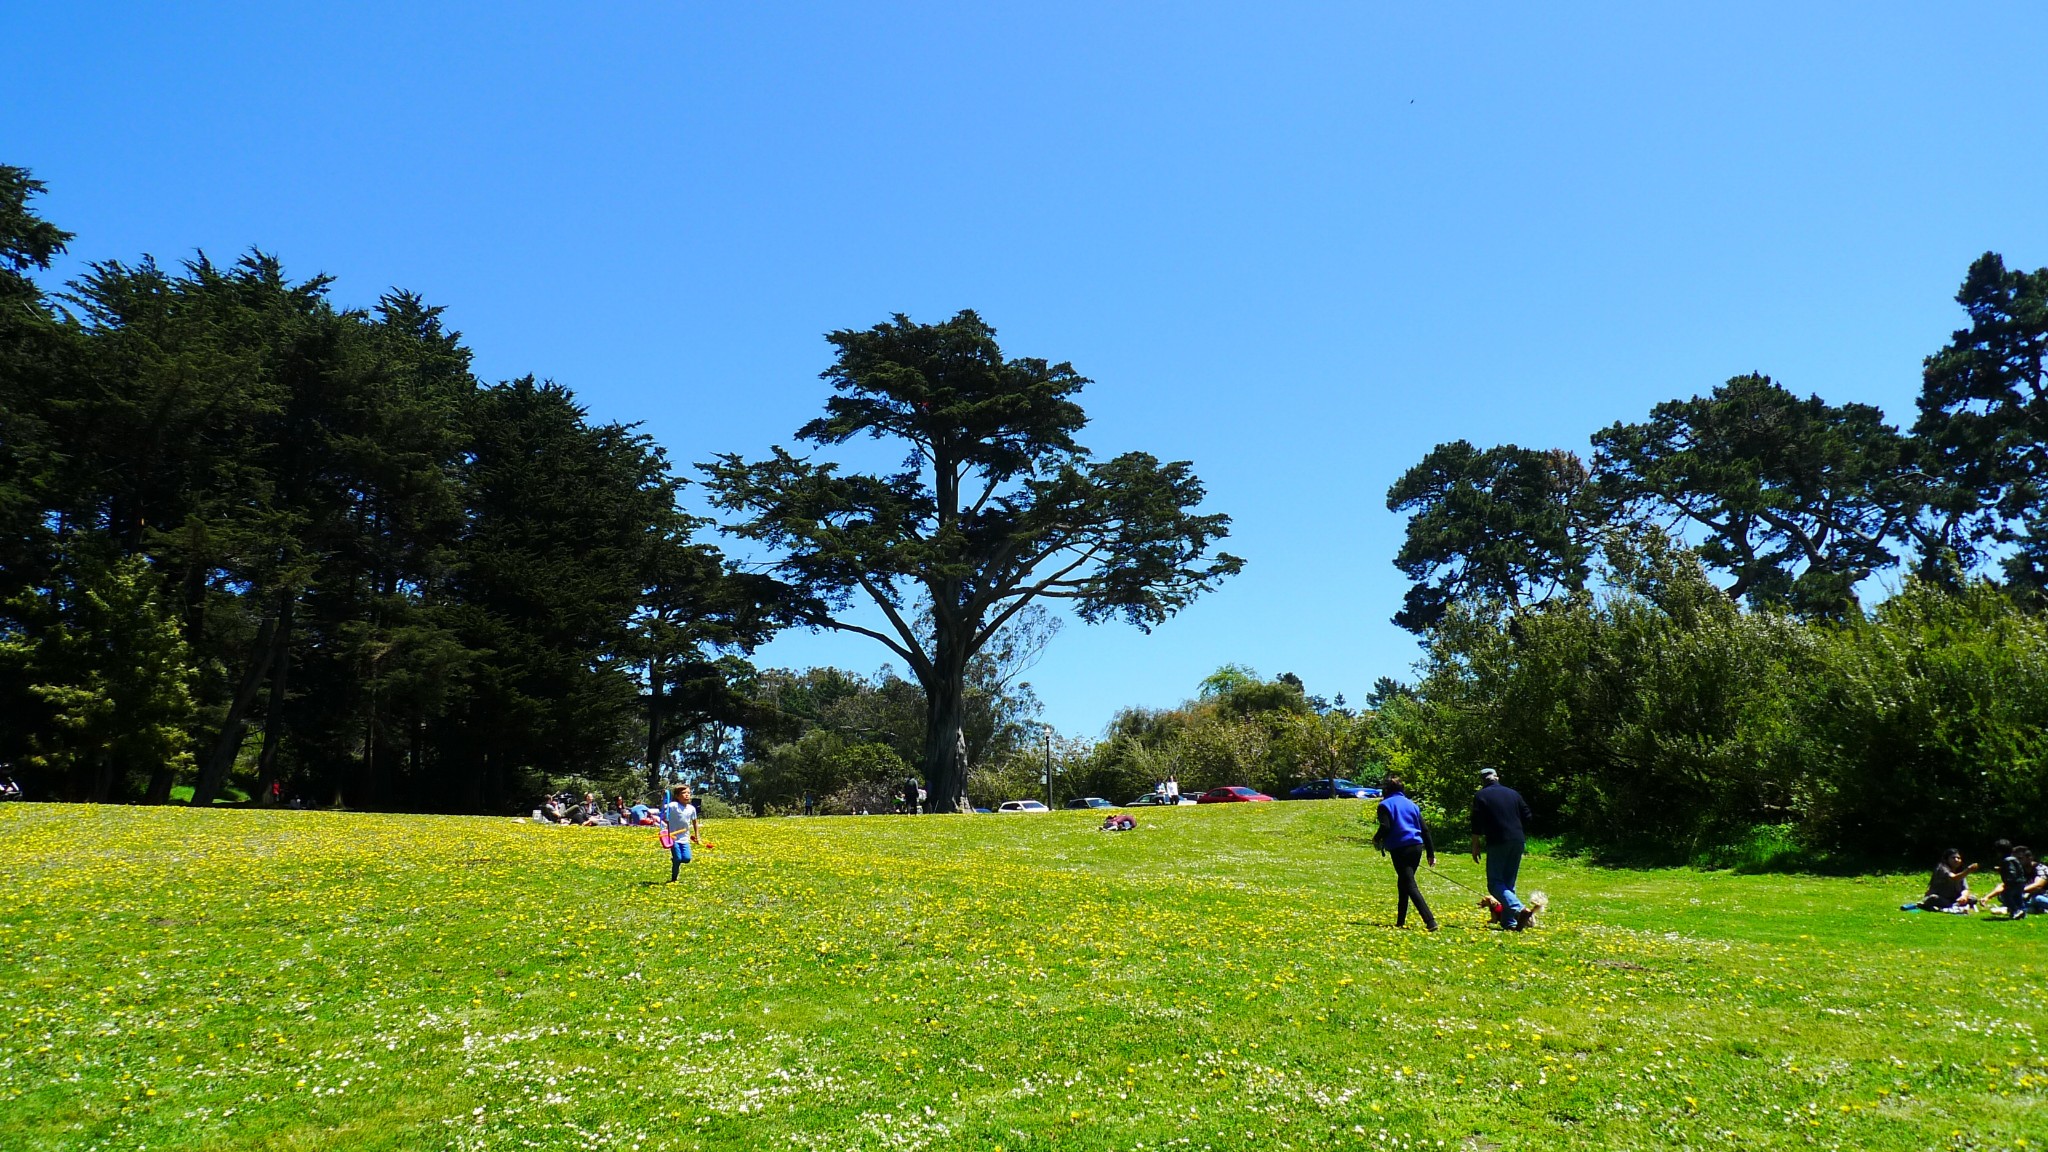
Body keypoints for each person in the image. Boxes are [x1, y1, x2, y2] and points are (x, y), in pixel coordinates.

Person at [1470, 767, 1534, 930]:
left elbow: (1476, 822)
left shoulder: (1481, 795)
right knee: (1508, 883)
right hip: (1518, 840)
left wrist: (1475, 844)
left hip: (1498, 840)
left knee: (1495, 883)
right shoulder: (1513, 793)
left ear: (1483, 781)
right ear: (1497, 778)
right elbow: (1528, 816)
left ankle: (1520, 910)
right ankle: (1509, 922)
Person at [1372, 775, 1437, 931]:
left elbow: (1386, 827)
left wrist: (1376, 839)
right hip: (1416, 846)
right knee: (1403, 883)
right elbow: (1425, 829)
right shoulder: (1412, 804)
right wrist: (1431, 853)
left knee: (1409, 884)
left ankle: (1430, 920)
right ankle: (1400, 921)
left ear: (1386, 790)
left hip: (1400, 848)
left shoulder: (1384, 805)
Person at [1920, 848, 1980, 913]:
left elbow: (1965, 888)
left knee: (1973, 899)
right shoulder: (1942, 868)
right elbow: (1954, 878)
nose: (1956, 860)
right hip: (1941, 897)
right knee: (1933, 898)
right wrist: (1968, 870)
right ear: (1947, 859)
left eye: (1958, 858)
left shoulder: (1960, 871)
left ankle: (1954, 905)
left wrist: (1964, 896)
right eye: (1953, 858)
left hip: (1955, 898)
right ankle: (1954, 906)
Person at [660, 784, 699, 882]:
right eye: (684, 793)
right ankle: (674, 878)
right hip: (673, 837)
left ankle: (675, 860)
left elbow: (695, 822)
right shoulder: (673, 805)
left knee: (686, 858)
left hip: (685, 837)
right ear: (677, 796)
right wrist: (664, 796)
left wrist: (697, 836)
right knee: (678, 858)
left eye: (689, 793)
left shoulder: (691, 808)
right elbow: (663, 808)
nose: (687, 795)